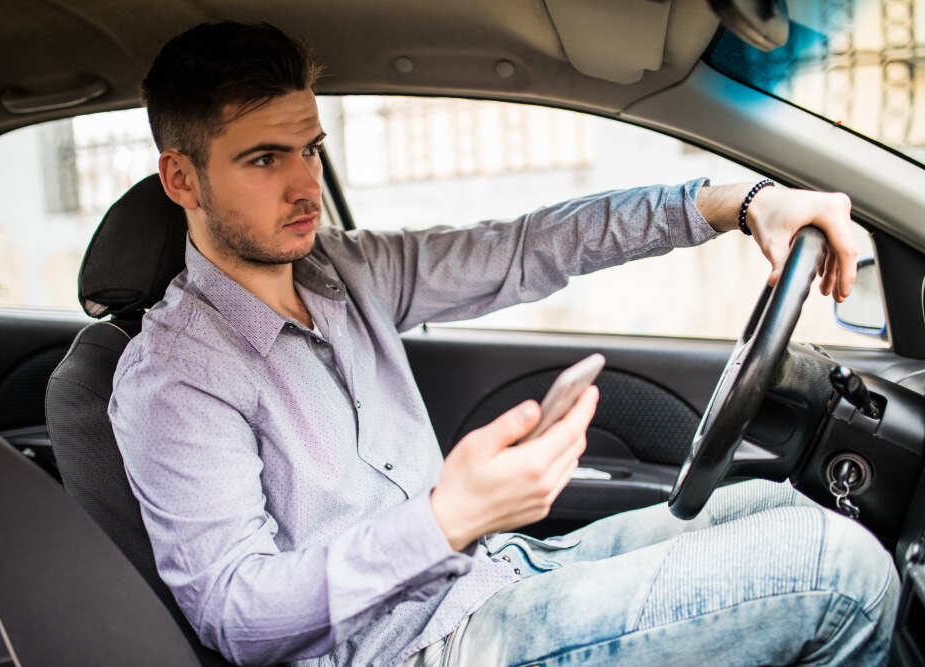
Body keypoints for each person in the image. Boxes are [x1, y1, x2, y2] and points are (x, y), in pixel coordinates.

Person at [108, 20, 899, 667]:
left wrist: (734, 200)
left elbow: (531, 246)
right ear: (181, 179)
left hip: (492, 571)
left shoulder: (342, 270)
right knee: (844, 574)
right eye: (264, 158)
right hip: (420, 649)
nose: (306, 185)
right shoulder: (173, 376)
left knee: (782, 504)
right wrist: (448, 515)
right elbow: (236, 615)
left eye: (310, 148)